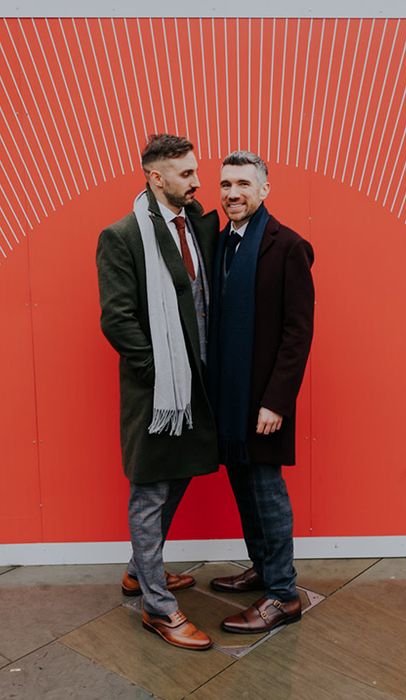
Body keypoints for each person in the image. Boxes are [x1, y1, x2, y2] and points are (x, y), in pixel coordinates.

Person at [96, 134, 219, 651]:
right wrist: (159, 373)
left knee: (181, 473)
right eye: (186, 174)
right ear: (155, 177)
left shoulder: (195, 224)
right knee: (150, 490)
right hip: (158, 391)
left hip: (199, 383)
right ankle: (157, 606)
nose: (197, 181)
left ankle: (137, 572)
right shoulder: (122, 236)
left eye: (195, 171)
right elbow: (116, 319)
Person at [206, 151, 315, 633]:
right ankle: (263, 567)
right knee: (243, 487)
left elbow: (298, 333)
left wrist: (277, 400)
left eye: (244, 185)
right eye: (226, 184)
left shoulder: (288, 246)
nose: (233, 193)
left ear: (265, 190)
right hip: (228, 397)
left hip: (264, 398)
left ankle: (283, 594)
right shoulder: (219, 241)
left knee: (267, 491)